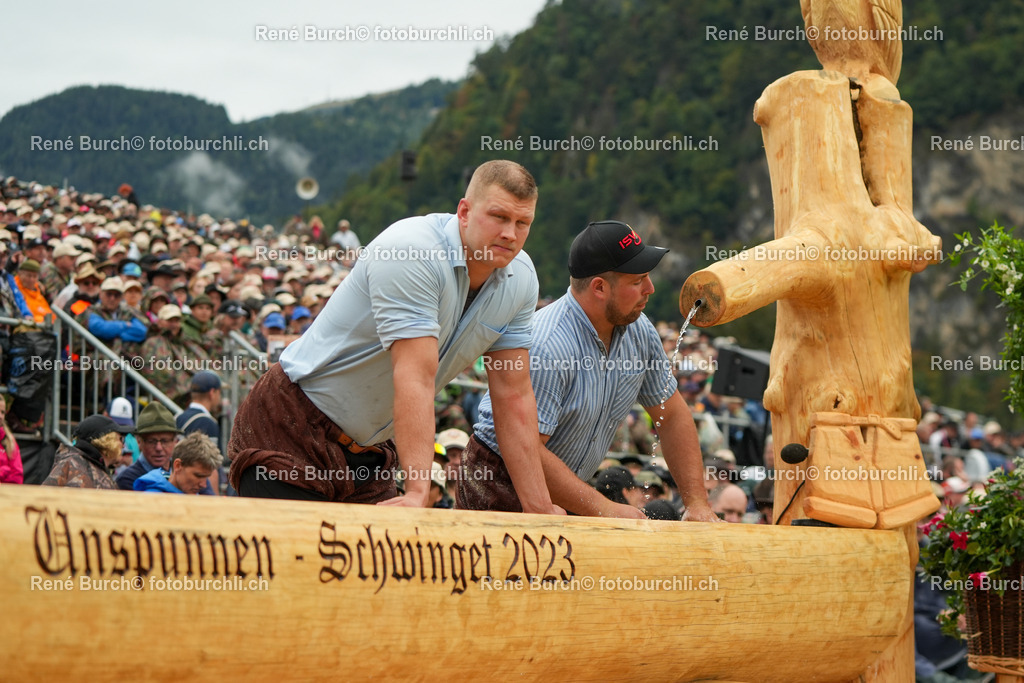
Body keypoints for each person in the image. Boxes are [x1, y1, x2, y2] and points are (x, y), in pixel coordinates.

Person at [228, 160, 560, 514]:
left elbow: (513, 395)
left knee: (381, 566)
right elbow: (414, 375)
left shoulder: (522, 278)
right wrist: (418, 490)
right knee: (295, 561)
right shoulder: (412, 249)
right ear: (464, 211)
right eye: (498, 217)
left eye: (523, 223)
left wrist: (539, 507)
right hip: (293, 425)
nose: (511, 233)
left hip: (369, 452)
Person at [459, 220, 717, 521]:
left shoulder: (640, 331)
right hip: (499, 482)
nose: (651, 289)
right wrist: (603, 507)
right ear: (599, 287)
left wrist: (697, 503)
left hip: (565, 486)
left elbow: (671, 415)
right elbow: (526, 448)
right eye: (638, 281)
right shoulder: (548, 344)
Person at [42, 414, 131, 488]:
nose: (123, 445)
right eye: (120, 439)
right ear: (106, 442)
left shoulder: (74, 462)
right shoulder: (80, 468)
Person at [114, 402, 181, 491]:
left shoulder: (184, 473)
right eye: (151, 441)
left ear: (175, 442)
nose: (159, 448)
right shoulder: (128, 480)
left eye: (165, 441)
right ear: (139, 442)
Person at [134, 432, 221, 494]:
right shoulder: (152, 499)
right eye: (198, 476)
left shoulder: (193, 494)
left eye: (206, 477)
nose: (204, 485)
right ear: (178, 465)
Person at [0, 399, 24, 484]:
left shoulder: (9, 440)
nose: (0, 416)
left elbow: (17, 476)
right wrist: (4, 471)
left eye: (2, 412)